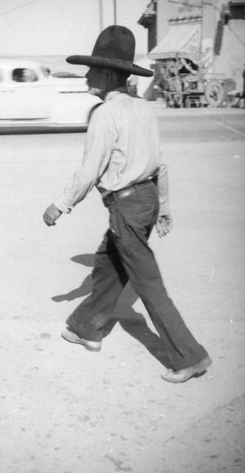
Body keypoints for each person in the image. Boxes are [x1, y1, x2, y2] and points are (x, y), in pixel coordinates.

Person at [43, 25, 211, 384]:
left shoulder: (105, 115)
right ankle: (84, 327)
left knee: (148, 284)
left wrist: (59, 205)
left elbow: (90, 170)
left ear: (105, 74)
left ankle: (188, 356)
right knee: (108, 264)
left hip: (127, 207)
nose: (87, 75)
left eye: (90, 69)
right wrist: (163, 208)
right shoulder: (144, 108)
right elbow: (159, 163)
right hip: (146, 200)